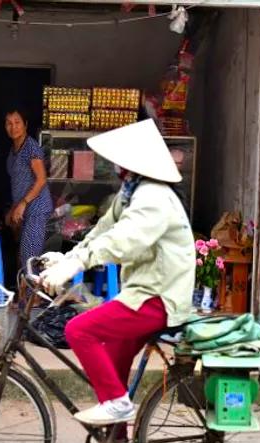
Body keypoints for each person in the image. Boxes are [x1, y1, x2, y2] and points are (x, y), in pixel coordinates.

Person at [39, 120, 195, 426]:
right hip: (142, 293)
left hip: (158, 298)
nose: (114, 167)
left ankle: (117, 406)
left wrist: (78, 265)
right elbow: (103, 231)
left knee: (78, 330)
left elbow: (124, 240)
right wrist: (68, 258)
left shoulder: (155, 198)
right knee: (112, 366)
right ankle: (115, 442)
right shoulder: (130, 192)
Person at [4, 107, 52, 268]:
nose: (13, 127)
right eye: (9, 123)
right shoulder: (13, 150)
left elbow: (41, 180)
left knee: (29, 259)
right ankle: (24, 292)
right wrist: (13, 208)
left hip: (36, 209)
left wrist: (23, 203)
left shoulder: (31, 147)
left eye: (17, 122)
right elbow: (17, 183)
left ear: (25, 124)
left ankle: (32, 293)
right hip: (23, 210)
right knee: (22, 256)